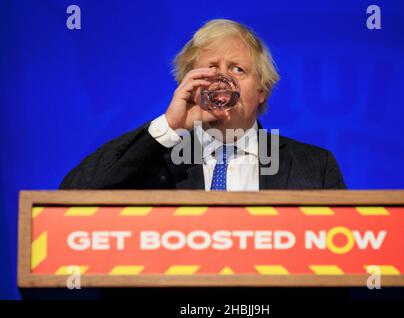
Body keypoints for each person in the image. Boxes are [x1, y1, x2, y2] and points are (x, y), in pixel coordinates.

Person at [60, 19, 346, 191]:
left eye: (237, 69)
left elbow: (341, 256)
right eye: (210, 69)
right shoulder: (151, 160)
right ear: (190, 85)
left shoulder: (316, 167)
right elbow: (73, 196)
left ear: (262, 90)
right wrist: (169, 126)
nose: (222, 79)